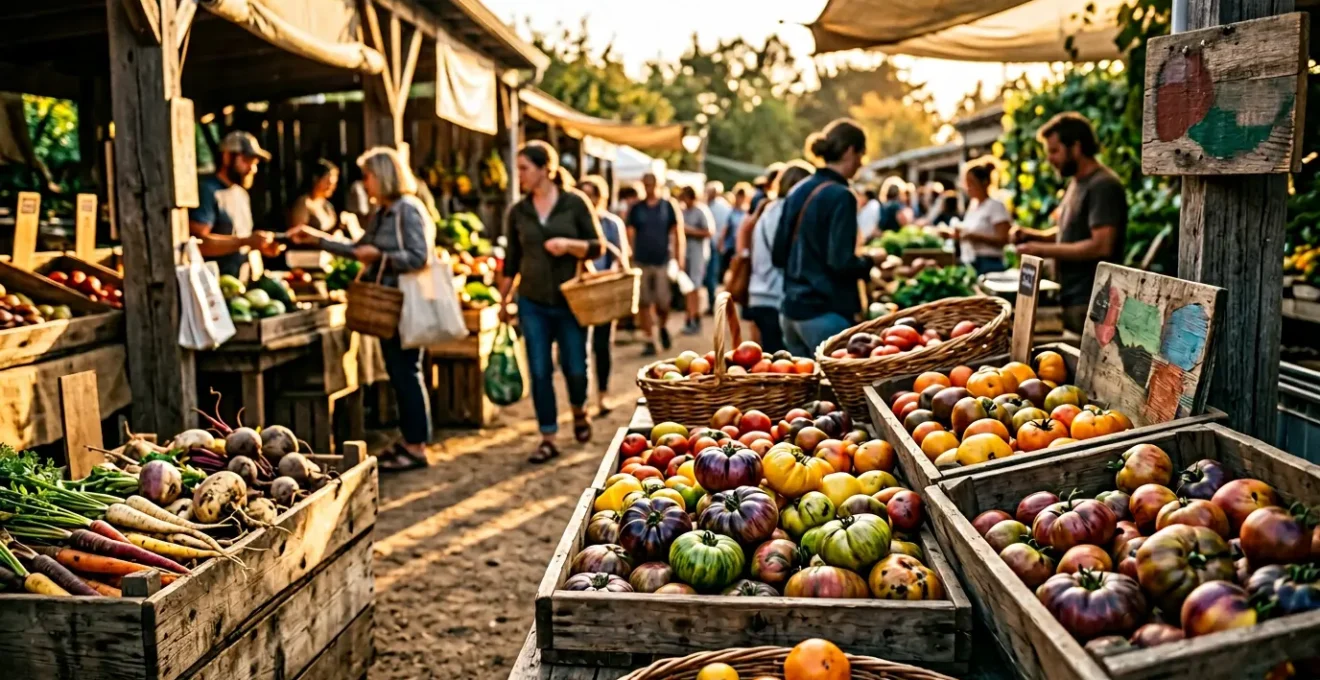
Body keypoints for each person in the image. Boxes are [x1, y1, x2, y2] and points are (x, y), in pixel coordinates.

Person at [286, 147, 433, 471]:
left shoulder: (407, 210)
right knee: (400, 371)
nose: (364, 184)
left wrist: (380, 258)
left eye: (367, 176)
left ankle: (417, 446)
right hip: (387, 306)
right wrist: (318, 239)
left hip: (403, 304)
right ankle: (411, 440)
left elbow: (420, 256)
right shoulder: (384, 212)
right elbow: (358, 249)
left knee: (407, 372)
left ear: (382, 176)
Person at [496, 142, 605, 462]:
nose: (520, 175)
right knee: (540, 369)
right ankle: (548, 435)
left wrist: (570, 245)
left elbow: (598, 246)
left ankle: (579, 410)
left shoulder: (575, 203)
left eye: (525, 168)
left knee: (575, 367)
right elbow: (512, 261)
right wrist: (503, 301)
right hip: (531, 301)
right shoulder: (518, 211)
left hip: (571, 301)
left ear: (545, 168)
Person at [772, 120, 888, 357]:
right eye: (861, 155)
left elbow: (778, 254)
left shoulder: (798, 190)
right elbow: (841, 262)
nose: (860, 163)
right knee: (839, 393)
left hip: (790, 314)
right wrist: (871, 261)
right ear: (849, 151)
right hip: (824, 316)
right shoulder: (842, 196)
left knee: (805, 392)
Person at [1013, 112, 1127, 334]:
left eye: (1055, 151)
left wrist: (1041, 249)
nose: (1050, 159)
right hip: (1071, 298)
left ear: (1075, 147)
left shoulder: (1103, 185)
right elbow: (1071, 232)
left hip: (1092, 301)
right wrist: (1032, 235)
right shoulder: (1076, 183)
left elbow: (1101, 245)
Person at [738, 160, 813, 354]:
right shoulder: (782, 211)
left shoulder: (769, 209)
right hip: (772, 297)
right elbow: (781, 255)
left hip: (761, 295)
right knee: (782, 367)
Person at [189, 131, 280, 277]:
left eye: (255, 163)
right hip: (217, 286)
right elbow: (198, 244)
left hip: (241, 285)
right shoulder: (209, 191)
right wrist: (246, 241)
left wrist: (260, 246)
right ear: (227, 157)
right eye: (247, 160)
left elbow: (243, 240)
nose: (252, 168)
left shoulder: (241, 194)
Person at [579, 174, 628, 416]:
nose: (588, 199)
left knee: (602, 346)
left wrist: (611, 274)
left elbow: (621, 258)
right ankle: (583, 401)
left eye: (592, 194)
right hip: (581, 292)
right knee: (581, 348)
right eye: (584, 193)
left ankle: (602, 395)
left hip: (606, 291)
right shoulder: (575, 223)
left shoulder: (611, 224)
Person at [626, 172, 683, 357]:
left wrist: (679, 258)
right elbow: (630, 233)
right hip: (641, 260)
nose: (649, 188)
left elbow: (677, 233)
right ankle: (649, 338)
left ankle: (663, 325)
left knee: (663, 301)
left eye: (652, 184)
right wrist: (629, 258)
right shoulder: (636, 209)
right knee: (643, 302)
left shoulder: (668, 206)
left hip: (662, 260)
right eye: (646, 184)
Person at [947, 158, 1011, 275]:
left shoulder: (995, 206)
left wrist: (975, 237)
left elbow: (1004, 239)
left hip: (989, 264)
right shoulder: (973, 206)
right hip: (971, 261)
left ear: (984, 182)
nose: (968, 188)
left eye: (971, 183)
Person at [677, 185, 715, 335]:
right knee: (687, 287)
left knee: (695, 286)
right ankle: (689, 316)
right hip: (686, 254)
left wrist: (689, 230)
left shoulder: (700, 211)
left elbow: (709, 232)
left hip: (698, 254)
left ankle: (695, 317)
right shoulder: (683, 211)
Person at [288, 159, 340, 235]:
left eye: (334, 184)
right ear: (316, 179)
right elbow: (298, 234)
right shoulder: (303, 203)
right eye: (328, 182)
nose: (331, 187)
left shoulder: (327, 206)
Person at [704, 181, 732, 311]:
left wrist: (721, 242)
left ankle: (713, 303)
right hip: (708, 245)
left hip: (715, 245)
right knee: (709, 275)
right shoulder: (706, 205)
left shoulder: (722, 207)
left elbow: (726, 227)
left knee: (712, 275)